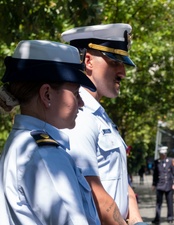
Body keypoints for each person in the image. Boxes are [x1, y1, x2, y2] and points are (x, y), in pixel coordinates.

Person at [0, 40, 100, 224]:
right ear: (47, 95)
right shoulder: (44, 155)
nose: (81, 103)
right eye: (76, 93)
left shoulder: (25, 144)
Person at [60, 24, 145, 225]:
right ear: (88, 61)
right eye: (115, 61)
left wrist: (136, 219)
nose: (123, 72)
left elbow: (118, 180)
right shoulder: (77, 115)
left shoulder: (99, 114)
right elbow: (93, 191)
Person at [152, 146, 174, 224]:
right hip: (159, 185)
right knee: (158, 203)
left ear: (165, 154)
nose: (162, 155)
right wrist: (153, 184)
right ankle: (157, 218)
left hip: (168, 185)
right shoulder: (157, 162)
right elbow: (155, 174)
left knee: (170, 202)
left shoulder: (170, 161)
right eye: (161, 154)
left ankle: (170, 217)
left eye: (163, 154)